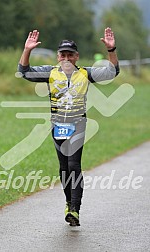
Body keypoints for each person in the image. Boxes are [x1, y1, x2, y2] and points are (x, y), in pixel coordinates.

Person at [18, 27, 119, 226]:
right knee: (64, 168)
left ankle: (75, 209)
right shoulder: (50, 72)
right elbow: (24, 72)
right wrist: (27, 50)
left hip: (78, 123)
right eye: (63, 54)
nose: (66, 58)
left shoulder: (85, 73)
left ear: (76, 56)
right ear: (57, 57)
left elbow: (112, 72)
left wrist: (111, 49)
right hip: (57, 125)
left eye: (70, 55)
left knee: (74, 165)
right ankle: (68, 202)